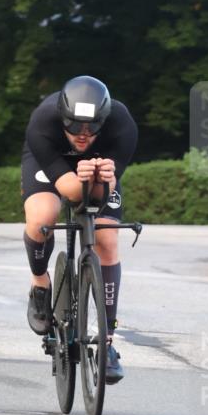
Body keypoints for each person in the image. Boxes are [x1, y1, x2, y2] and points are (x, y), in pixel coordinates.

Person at [21, 76, 138, 384]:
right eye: (74, 127)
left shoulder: (122, 124)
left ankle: (107, 342)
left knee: (107, 239)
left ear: (104, 121)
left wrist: (99, 180)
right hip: (53, 163)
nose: (83, 136)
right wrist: (80, 180)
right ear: (63, 118)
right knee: (43, 216)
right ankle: (39, 283)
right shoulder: (43, 122)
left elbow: (99, 198)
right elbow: (72, 194)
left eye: (92, 128)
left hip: (98, 169)